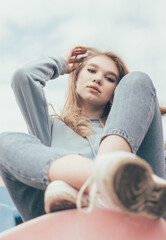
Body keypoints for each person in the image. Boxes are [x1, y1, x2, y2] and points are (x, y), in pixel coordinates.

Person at [0, 46, 166, 222]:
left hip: (139, 209)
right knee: (4, 142)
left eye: (110, 79)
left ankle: (109, 184)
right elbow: (23, 78)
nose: (98, 79)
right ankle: (101, 183)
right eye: (92, 70)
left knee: (138, 79)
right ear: (76, 78)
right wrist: (61, 64)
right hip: (66, 215)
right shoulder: (49, 128)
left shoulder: (132, 132)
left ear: (115, 93)